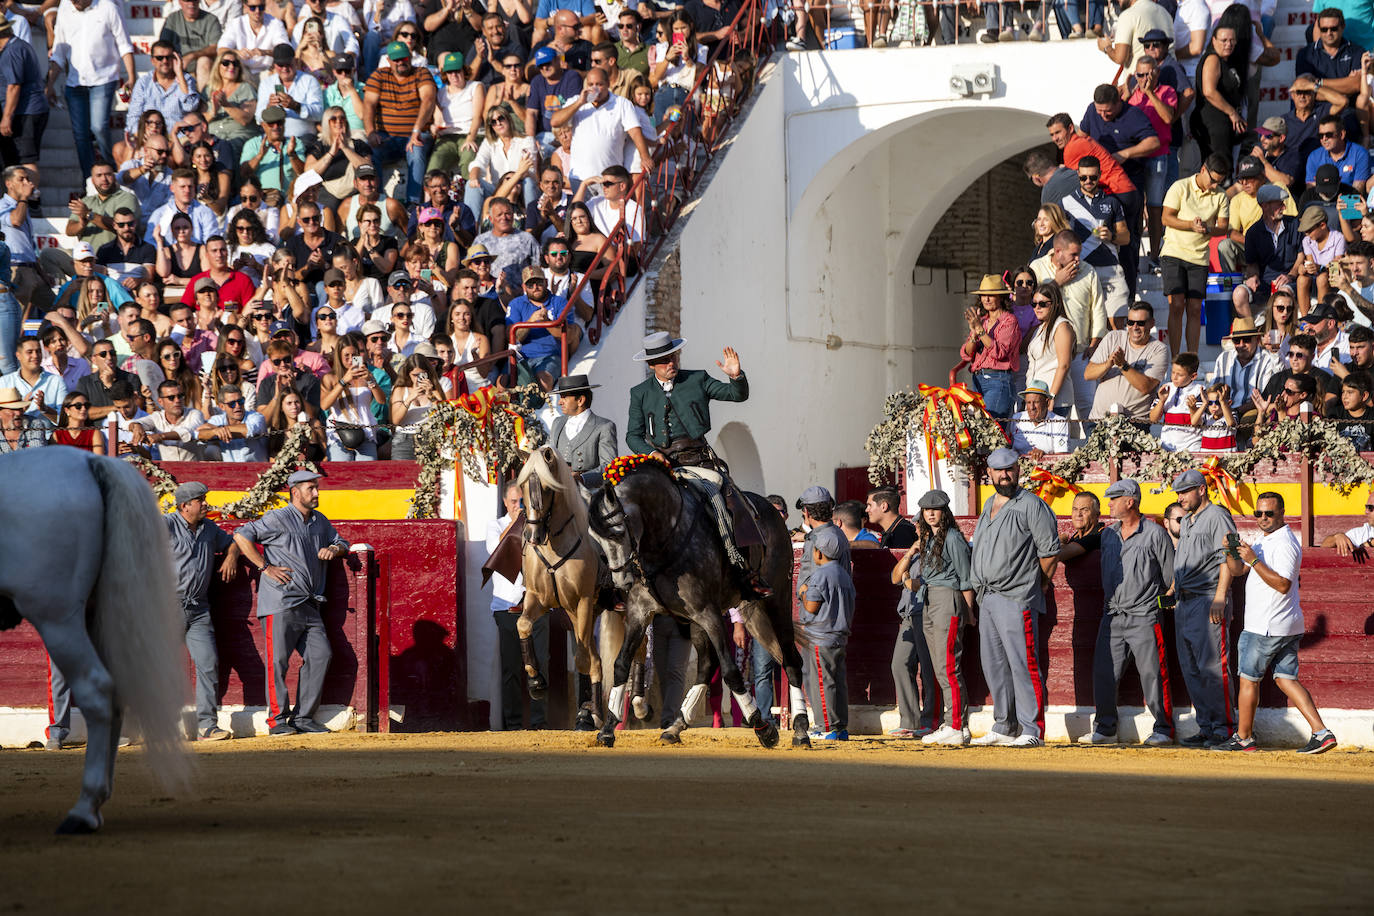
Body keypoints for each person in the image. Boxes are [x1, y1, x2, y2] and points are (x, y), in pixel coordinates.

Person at [625, 332, 768, 595]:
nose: (671, 362)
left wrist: (736, 376)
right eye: (664, 359)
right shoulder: (640, 393)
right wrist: (650, 452)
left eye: (672, 356)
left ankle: (742, 568)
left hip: (699, 460)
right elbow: (632, 435)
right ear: (651, 365)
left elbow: (736, 396)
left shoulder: (697, 378)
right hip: (662, 466)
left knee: (723, 501)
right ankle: (636, 573)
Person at [1216, 492, 1337, 754]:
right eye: (1258, 514)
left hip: (1265, 626)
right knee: (1285, 679)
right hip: (1283, 624)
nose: (1262, 519)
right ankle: (1322, 733)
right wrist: (1230, 552)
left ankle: (1243, 737)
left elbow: (1283, 584)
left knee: (1249, 680)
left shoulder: (1284, 543)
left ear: (1282, 512)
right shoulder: (1266, 539)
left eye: (1269, 514)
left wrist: (1254, 560)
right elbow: (1238, 571)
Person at [233, 470, 350, 736]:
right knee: (278, 663)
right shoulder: (277, 517)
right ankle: (277, 720)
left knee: (321, 655)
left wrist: (335, 549)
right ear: (294, 492)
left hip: (310, 604)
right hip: (280, 602)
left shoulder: (320, 521)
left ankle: (304, 718)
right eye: (311, 488)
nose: (317, 493)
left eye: (317, 488)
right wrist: (264, 566)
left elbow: (340, 541)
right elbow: (241, 535)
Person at [969, 448, 1060, 747]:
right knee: (994, 664)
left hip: (1017, 594)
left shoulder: (1032, 505)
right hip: (988, 596)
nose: (1004, 475)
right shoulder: (988, 504)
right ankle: (1004, 724)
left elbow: (1049, 552)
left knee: (1023, 663)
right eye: (999, 470)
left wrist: (1038, 586)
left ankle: (1031, 729)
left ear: (1018, 470)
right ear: (990, 473)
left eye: (1009, 469)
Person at [1076, 478, 1176, 746]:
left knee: (1153, 673)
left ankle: (1164, 729)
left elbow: (1172, 580)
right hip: (1112, 614)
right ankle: (1106, 728)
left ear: (1129, 501)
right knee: (1104, 671)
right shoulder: (1108, 534)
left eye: (1114, 499)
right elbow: (1079, 542)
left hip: (1145, 614)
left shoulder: (1155, 534)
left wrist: (1160, 613)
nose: (1109, 504)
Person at [164, 481, 240, 741]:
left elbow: (233, 543)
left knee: (208, 663)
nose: (206, 504)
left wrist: (230, 556)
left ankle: (207, 725)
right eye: (201, 500)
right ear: (185, 506)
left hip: (199, 608)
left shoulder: (209, 528)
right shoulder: (166, 525)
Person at [1170, 468, 1238, 747]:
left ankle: (1224, 728)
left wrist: (1220, 597)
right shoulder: (1187, 521)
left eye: (1185, 491)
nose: (1180, 497)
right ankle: (1207, 725)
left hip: (1208, 597)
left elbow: (1227, 558)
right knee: (1192, 668)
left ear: (1202, 489)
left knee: (1212, 666)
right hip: (1185, 601)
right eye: (1178, 492)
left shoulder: (1218, 516)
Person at [46, 0, 136, 178]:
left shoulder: (108, 7)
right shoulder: (65, 7)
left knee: (98, 127)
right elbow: (59, 51)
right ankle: (89, 180)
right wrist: (49, 84)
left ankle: (110, 174)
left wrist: (132, 77)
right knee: (80, 136)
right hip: (75, 83)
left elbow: (124, 44)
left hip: (104, 78)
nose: (74, 2)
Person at [486, 482, 548, 730]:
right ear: (505, 502)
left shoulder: (538, 527)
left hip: (536, 607)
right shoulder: (496, 526)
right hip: (506, 606)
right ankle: (512, 725)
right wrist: (518, 523)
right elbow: (497, 552)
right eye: (513, 502)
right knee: (512, 668)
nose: (518, 506)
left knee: (539, 665)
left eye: (521, 501)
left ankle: (538, 722)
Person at [1160, 153, 1232, 355]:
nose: (1214, 185)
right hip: (1173, 252)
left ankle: (1191, 358)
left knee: (1194, 309)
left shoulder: (1221, 195)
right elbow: (1166, 218)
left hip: (1199, 257)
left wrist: (1208, 229)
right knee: (1176, 306)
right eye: (1213, 180)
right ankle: (1175, 360)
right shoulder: (1180, 187)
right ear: (1203, 170)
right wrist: (1191, 225)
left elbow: (1223, 227)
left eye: (1219, 181)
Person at [799, 525, 855, 742]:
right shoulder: (844, 574)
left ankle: (826, 726)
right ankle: (840, 727)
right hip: (839, 636)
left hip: (820, 635)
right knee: (838, 681)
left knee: (822, 682)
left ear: (818, 553)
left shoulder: (820, 575)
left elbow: (811, 606)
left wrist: (804, 594)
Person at [364, 40, 436, 206]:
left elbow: (428, 99)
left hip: (415, 133)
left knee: (416, 151)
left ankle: (413, 204)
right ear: (389, 60)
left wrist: (416, 131)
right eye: (396, 59)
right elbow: (369, 104)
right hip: (386, 136)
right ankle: (377, 201)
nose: (400, 62)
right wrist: (370, 132)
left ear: (410, 57)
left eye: (403, 58)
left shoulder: (421, 73)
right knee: (371, 153)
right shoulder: (379, 75)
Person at [1085, 302, 1169, 422]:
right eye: (1130, 322)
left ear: (1151, 324)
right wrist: (1109, 363)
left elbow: (1146, 386)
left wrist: (1123, 365)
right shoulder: (1113, 337)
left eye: (1140, 323)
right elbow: (1088, 374)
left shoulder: (1159, 349)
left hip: (1135, 424)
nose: (1134, 327)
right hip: (1099, 421)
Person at [959, 274, 1021, 420]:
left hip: (999, 381)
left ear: (1000, 297)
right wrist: (974, 333)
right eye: (983, 295)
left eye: (990, 295)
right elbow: (966, 354)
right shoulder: (982, 321)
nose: (986, 299)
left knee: (991, 429)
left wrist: (979, 330)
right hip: (978, 380)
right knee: (981, 430)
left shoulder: (1009, 321)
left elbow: (999, 353)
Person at [548, 373, 617, 478]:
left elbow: (609, 467)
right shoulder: (557, 423)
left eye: (564, 397)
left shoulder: (604, 426)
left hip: (589, 490)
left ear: (580, 400)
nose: (560, 402)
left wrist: (583, 478)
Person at [1150, 352, 1205, 452]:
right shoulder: (1166, 388)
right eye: (1173, 372)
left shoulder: (1199, 391)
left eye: (1180, 374)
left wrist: (1193, 409)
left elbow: (1198, 423)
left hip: (1191, 446)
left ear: (1193, 376)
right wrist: (1162, 401)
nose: (1174, 377)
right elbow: (1153, 419)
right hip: (1167, 445)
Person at [1010, 379, 1070, 459]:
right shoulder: (1017, 419)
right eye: (1028, 402)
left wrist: (1044, 455)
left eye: (1036, 402)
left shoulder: (1059, 422)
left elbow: (1061, 456)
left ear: (1047, 402)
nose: (1032, 407)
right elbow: (1009, 448)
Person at [1321, 491, 1374, 556]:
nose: (1366, 511)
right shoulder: (1360, 533)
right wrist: (1337, 537)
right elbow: (1323, 547)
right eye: (1366, 507)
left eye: (1370, 508)